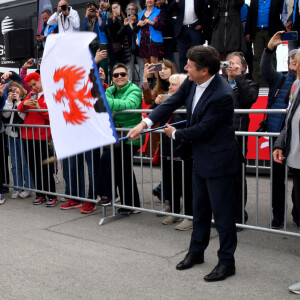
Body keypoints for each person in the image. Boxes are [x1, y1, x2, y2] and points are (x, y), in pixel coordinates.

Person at [128, 46, 240, 282]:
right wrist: (145, 124)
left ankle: (226, 262)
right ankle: (196, 252)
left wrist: (175, 134)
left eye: (190, 65)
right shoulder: (191, 81)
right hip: (199, 158)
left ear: (205, 70)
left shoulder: (222, 95)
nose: (185, 68)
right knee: (199, 210)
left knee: (222, 216)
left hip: (219, 161)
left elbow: (204, 129)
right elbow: (171, 102)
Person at [260, 31, 298, 229]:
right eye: (291, 57)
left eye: (296, 58)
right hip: (278, 138)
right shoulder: (280, 79)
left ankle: (297, 214)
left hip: (296, 139)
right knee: (277, 180)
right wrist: (269, 48)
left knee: (298, 181)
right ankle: (278, 216)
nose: (293, 60)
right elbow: (265, 69)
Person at [98, 63, 143, 215]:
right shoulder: (109, 91)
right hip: (117, 137)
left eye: (122, 74)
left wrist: (106, 102)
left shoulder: (134, 90)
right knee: (123, 169)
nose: (119, 77)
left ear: (128, 76)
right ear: (112, 78)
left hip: (131, 137)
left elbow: (130, 106)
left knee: (112, 162)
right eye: (116, 75)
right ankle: (131, 204)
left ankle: (109, 195)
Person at [153, 73, 194, 231]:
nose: (169, 87)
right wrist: (157, 104)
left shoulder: (186, 103)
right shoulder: (167, 102)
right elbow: (152, 116)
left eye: (173, 84)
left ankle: (190, 216)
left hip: (183, 150)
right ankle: (175, 212)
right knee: (172, 183)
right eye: (169, 84)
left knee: (186, 185)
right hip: (167, 149)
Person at [224, 51, 259, 225]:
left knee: (237, 177)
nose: (230, 66)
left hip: (237, 136)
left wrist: (239, 77)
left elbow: (248, 99)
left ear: (244, 67)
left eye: (235, 63)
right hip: (218, 136)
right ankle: (224, 214)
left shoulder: (250, 84)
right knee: (221, 177)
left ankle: (238, 216)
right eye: (228, 63)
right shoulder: (219, 83)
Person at [17, 72, 57, 206]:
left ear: (41, 80)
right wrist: (25, 102)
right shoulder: (31, 94)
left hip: (42, 136)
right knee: (33, 166)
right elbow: (19, 108)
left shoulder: (50, 94)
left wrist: (40, 109)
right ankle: (40, 193)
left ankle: (51, 194)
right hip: (27, 135)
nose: (34, 87)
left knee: (45, 166)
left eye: (35, 84)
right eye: (31, 85)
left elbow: (52, 117)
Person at [273, 50, 300, 230]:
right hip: (296, 157)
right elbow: (289, 120)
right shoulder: (296, 85)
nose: (293, 65)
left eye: (297, 62)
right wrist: (280, 144)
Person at [2, 82, 33, 199]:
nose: (13, 92)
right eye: (11, 90)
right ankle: (17, 188)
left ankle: (29, 187)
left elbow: (22, 116)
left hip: (22, 136)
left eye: (15, 90)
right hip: (10, 135)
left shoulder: (25, 98)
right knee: (14, 164)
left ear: (20, 89)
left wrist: (19, 101)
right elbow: (5, 115)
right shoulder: (9, 101)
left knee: (25, 163)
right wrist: (9, 101)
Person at [245, 0, 284, 84]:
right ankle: (257, 79)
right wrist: (248, 32)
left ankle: (272, 78)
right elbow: (250, 15)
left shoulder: (276, 1)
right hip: (257, 32)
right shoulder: (254, 1)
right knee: (257, 56)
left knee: (272, 56)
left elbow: (282, 14)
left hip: (271, 32)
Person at [169, 0, 207, 73]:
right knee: (182, 55)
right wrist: (176, 1)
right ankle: (184, 77)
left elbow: (205, 11)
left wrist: (201, 24)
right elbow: (170, 9)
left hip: (194, 28)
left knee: (197, 54)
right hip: (181, 29)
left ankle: (197, 74)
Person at [136, 0, 164, 64]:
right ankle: (150, 74)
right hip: (143, 40)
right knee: (147, 64)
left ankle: (157, 74)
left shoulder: (159, 11)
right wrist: (138, 24)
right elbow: (135, 30)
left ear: (154, 1)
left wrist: (151, 22)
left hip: (154, 40)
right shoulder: (140, 14)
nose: (149, 0)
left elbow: (162, 26)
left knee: (155, 62)